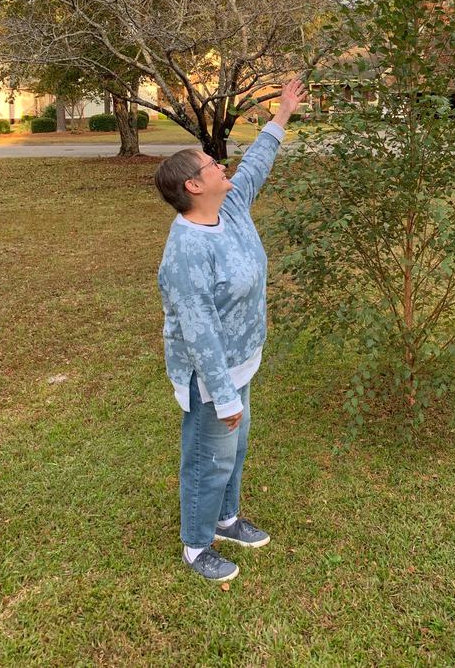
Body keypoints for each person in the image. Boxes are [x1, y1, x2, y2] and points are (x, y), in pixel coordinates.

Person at [154, 78, 307, 582]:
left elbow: (257, 165)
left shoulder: (231, 209)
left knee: (233, 450)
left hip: (241, 360)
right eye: (211, 164)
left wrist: (282, 115)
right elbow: (198, 335)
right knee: (208, 457)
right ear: (193, 186)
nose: (222, 165)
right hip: (209, 375)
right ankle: (196, 546)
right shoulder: (187, 252)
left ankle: (224, 518)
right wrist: (223, 397)